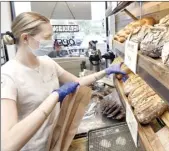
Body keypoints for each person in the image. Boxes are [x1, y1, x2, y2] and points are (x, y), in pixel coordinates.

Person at [1, 12, 126, 151]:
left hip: (56, 140)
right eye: (47, 37)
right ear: (25, 38)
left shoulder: (47, 63)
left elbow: (77, 82)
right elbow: (8, 144)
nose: (52, 41)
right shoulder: (8, 75)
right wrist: (54, 96)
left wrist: (106, 72)